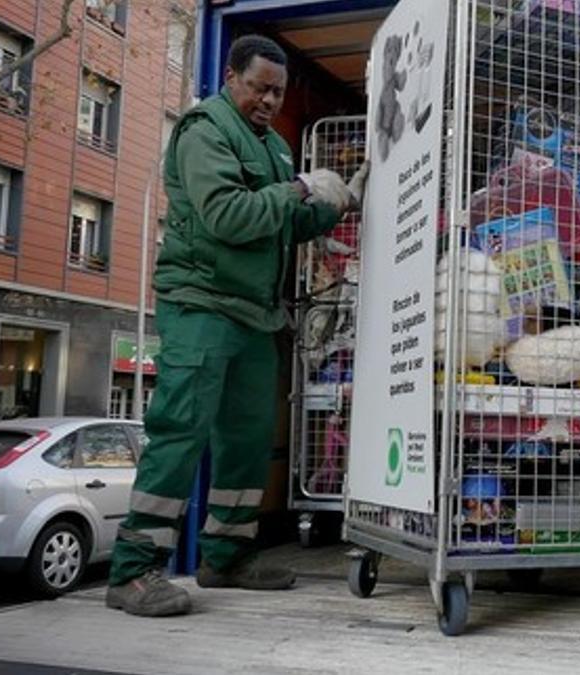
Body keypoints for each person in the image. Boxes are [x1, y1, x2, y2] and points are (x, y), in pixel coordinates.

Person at [106, 35, 368, 617]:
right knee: (180, 430)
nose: (271, 100)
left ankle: (225, 556)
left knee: (248, 439)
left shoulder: (273, 146)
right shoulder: (205, 130)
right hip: (202, 304)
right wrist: (302, 186)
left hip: (254, 312)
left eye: (278, 91)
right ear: (231, 78)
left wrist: (332, 204)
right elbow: (228, 216)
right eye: (260, 88)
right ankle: (132, 572)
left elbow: (282, 224)